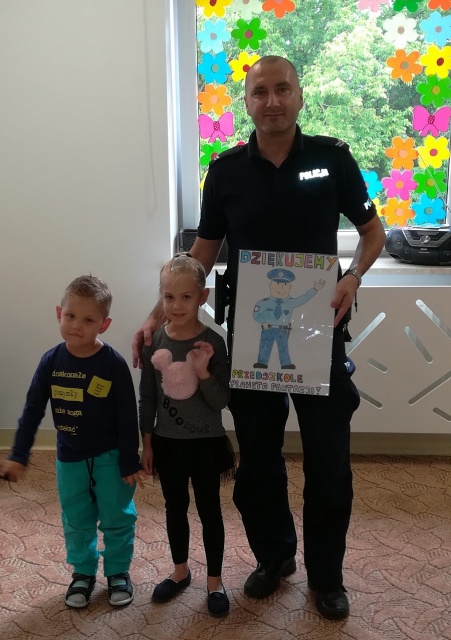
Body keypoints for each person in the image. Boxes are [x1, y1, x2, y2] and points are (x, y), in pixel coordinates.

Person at [132, 56, 386, 620]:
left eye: (282, 89)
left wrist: (351, 276)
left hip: (320, 337)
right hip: (251, 341)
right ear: (246, 102)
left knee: (329, 465)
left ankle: (327, 577)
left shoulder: (333, 159)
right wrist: (156, 317)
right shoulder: (225, 172)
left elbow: (373, 233)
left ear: (300, 95)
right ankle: (275, 557)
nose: (272, 100)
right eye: (260, 92)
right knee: (257, 465)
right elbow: (200, 255)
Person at [0, 275, 146, 609]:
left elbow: (127, 415)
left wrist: (128, 460)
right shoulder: (51, 361)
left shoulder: (113, 364)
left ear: (104, 325)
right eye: (70, 316)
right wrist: (19, 454)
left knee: (117, 516)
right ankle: (82, 572)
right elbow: (32, 410)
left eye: (88, 320)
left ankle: (118, 572)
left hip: (111, 458)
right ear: (59, 313)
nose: (77, 325)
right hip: (70, 460)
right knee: (76, 519)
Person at [139, 254, 234, 618]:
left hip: (206, 443)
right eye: (168, 297)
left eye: (186, 297)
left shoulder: (214, 342)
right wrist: (147, 442)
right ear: (161, 297)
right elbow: (148, 397)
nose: (176, 305)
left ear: (202, 297)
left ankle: (215, 581)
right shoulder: (154, 342)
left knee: (210, 510)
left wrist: (203, 372)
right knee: (174, 506)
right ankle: (180, 571)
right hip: (168, 443)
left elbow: (221, 400)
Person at [253, 268, 325, 369]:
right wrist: (263, 322)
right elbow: (256, 314)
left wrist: (314, 289)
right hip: (268, 328)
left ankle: (286, 364)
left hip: (283, 329)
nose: (282, 288)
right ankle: (262, 362)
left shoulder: (290, 302)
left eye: (285, 285)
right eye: (278, 284)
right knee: (265, 346)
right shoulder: (263, 303)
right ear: (270, 285)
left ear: (290, 287)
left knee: (283, 347)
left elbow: (304, 298)